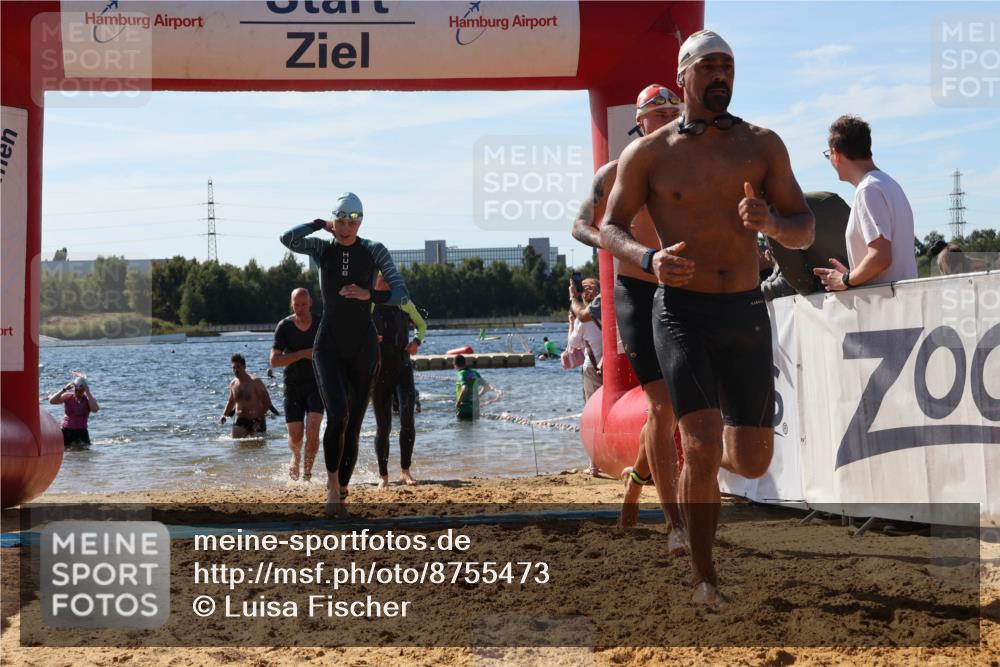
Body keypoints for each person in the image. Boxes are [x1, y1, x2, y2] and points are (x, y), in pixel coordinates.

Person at [600, 29, 815, 608]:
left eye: (729, 66)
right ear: (683, 77)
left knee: (751, 459)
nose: (721, 75)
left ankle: (695, 460)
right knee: (697, 442)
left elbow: (805, 227)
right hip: (681, 311)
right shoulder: (648, 154)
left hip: (743, 309)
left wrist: (770, 221)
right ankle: (704, 579)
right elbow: (608, 226)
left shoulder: (763, 145)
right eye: (709, 66)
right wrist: (648, 258)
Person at [572, 83, 686, 539]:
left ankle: (636, 483)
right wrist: (619, 243)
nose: (666, 123)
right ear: (639, 123)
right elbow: (580, 224)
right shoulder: (617, 171)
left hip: (683, 291)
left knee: (674, 408)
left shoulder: (693, 170)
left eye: (672, 114)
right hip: (636, 293)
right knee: (661, 404)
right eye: (656, 117)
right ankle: (675, 521)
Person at [280, 192, 408, 516]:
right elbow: (287, 238)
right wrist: (317, 225)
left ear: (361, 221)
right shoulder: (324, 249)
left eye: (352, 221)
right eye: (340, 221)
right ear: (333, 221)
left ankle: (345, 488)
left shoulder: (374, 250)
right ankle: (332, 486)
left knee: (352, 425)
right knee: (337, 415)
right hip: (329, 346)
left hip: (364, 348)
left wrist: (369, 293)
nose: (346, 227)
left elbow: (400, 293)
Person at [814, 115, 917, 291]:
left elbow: (881, 258)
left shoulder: (867, 190)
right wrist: (853, 275)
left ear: (836, 154)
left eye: (828, 155)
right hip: (902, 304)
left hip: (887, 309)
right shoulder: (889, 184)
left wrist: (845, 280)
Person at [371, 273, 427, 489]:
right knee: (383, 426)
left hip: (403, 369)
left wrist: (416, 342)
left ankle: (405, 471)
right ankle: (383, 475)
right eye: (381, 281)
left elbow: (422, 325)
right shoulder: (371, 304)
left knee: (407, 418)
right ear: (375, 284)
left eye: (388, 281)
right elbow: (357, 328)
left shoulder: (404, 303)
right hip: (379, 372)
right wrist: (370, 337)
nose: (385, 284)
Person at [270, 287, 323, 482]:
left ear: (310, 303)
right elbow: (274, 361)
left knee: (313, 430)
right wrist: (302, 354)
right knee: (296, 437)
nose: (300, 308)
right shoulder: (284, 326)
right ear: (292, 304)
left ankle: (307, 473)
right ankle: (296, 456)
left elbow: (334, 350)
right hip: (293, 386)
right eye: (296, 305)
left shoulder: (320, 323)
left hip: (318, 384)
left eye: (304, 304)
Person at [760, 192, 851, 300]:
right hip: (865, 280)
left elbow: (803, 284)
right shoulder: (826, 197)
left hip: (838, 295)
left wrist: (761, 281)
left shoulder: (773, 218)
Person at [220, 353, 279, 438]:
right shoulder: (233, 383)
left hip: (256, 419)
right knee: (235, 440)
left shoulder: (255, 382)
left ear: (244, 367)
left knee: (257, 447)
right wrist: (224, 415)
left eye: (238, 367)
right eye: (234, 368)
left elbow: (267, 402)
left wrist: (258, 420)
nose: (236, 370)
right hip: (241, 419)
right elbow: (231, 401)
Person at [568, 278, 603, 402]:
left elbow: (573, 343)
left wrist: (571, 324)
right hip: (609, 363)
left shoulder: (582, 319)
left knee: (593, 403)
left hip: (593, 367)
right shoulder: (610, 306)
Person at [48, 376, 99, 448]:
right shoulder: (68, 397)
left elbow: (95, 410)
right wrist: (64, 389)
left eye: (80, 391)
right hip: (66, 430)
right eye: (76, 390)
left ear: (84, 390)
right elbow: (51, 401)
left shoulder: (88, 400)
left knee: (84, 454)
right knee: (66, 452)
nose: (78, 393)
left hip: (81, 432)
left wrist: (88, 392)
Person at [454, 354, 490, 421]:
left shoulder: (461, 373)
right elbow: (487, 387)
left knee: (462, 430)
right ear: (465, 363)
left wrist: (458, 402)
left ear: (455, 365)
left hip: (464, 410)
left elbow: (465, 389)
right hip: (475, 410)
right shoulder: (474, 373)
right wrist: (478, 395)